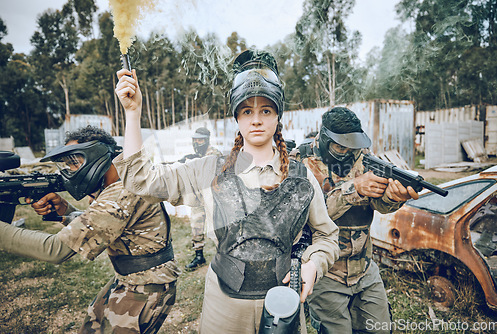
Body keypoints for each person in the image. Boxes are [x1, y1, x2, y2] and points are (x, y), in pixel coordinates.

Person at [113, 49, 340, 333]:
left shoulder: (301, 176)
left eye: (265, 110)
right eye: (247, 111)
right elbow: (140, 180)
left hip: (285, 304)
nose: (256, 120)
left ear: (277, 117)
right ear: (237, 118)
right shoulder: (211, 170)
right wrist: (133, 115)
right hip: (225, 307)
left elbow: (328, 235)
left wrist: (314, 265)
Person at [0, 125, 180, 334]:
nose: (69, 170)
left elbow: (55, 250)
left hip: (146, 287)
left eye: (74, 162)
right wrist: (65, 211)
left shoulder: (121, 194)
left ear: (96, 155)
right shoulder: (120, 180)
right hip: (128, 279)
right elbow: (107, 225)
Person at [297, 107, 419, 333]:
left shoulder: (363, 160)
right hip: (324, 271)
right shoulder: (301, 163)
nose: (348, 153)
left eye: (352, 146)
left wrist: (392, 197)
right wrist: (355, 188)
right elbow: (305, 217)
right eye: (340, 146)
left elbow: (380, 205)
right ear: (325, 139)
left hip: (364, 268)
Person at [179, 127, 222, 271]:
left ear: (207, 140)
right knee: (196, 226)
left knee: (216, 229)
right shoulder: (195, 155)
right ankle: (199, 256)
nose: (197, 142)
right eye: (195, 140)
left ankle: (223, 258)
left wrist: (195, 161)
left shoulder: (214, 153)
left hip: (213, 198)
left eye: (200, 140)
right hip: (198, 197)